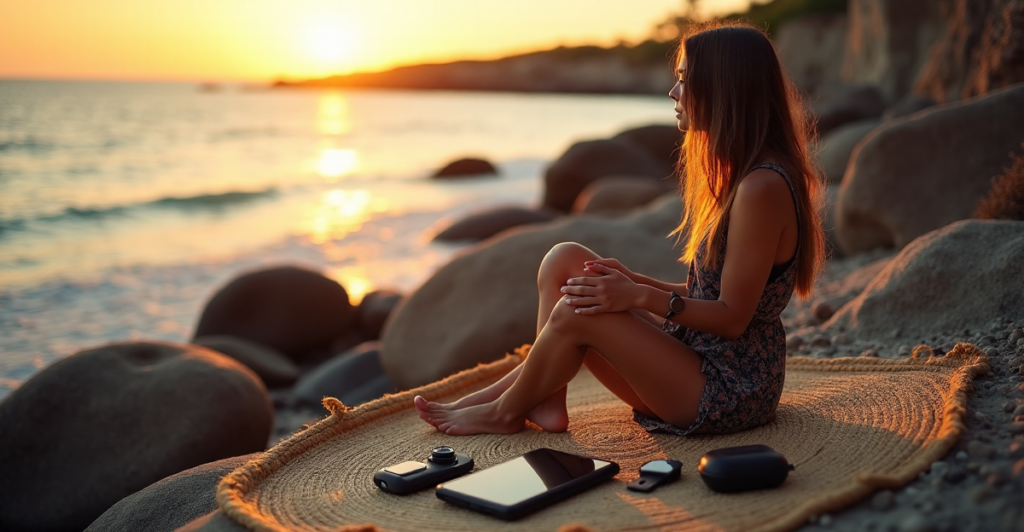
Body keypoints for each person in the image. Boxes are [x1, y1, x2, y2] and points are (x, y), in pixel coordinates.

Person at [414, 21, 825, 436]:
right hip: (698, 358)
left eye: (684, 79)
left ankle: (505, 410)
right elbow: (714, 295)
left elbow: (733, 317)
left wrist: (639, 295)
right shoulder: (745, 176)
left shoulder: (762, 186)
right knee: (566, 260)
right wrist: (631, 280)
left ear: (724, 88)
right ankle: (544, 399)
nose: (673, 93)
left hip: (729, 389)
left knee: (579, 310)